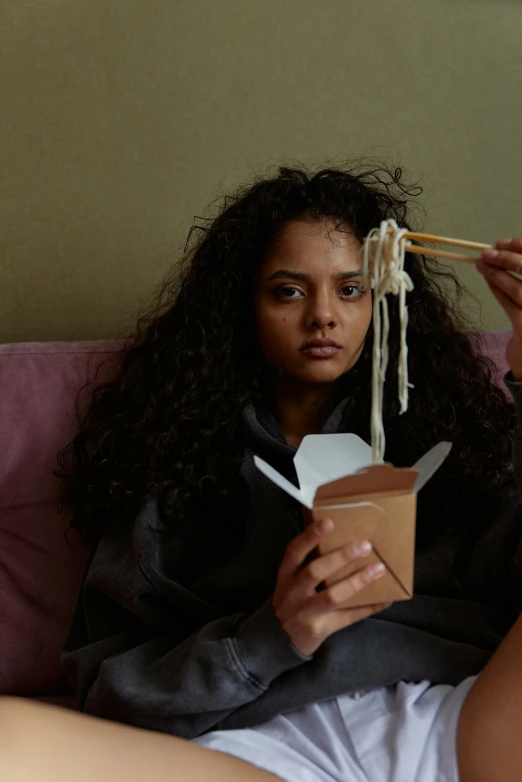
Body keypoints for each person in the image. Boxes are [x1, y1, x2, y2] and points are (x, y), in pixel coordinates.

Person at [0, 164, 521, 782]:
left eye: (351, 289)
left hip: (455, 723)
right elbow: (108, 690)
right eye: (289, 291)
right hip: (265, 751)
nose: (323, 315)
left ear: (384, 297)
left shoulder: (455, 440)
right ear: (242, 306)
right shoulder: (172, 466)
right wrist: (274, 634)